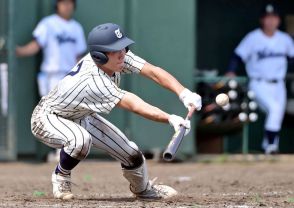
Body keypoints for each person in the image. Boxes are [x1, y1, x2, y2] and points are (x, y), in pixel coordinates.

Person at [30, 23, 202, 200]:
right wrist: (170, 118)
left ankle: (143, 190)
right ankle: (61, 175)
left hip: (81, 115)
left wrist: (184, 93)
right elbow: (134, 104)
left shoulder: (117, 58)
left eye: (124, 47)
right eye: (115, 49)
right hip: (48, 117)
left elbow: (152, 71)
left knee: (132, 154)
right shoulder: (94, 81)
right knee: (80, 140)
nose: (122, 53)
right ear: (99, 55)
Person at [16, 0, 87, 161]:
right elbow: (35, 46)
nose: (67, 6)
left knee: (69, 114)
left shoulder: (76, 28)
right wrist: (17, 51)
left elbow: (79, 56)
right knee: (52, 115)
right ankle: (59, 152)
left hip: (71, 76)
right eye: (63, 3)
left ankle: (66, 151)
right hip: (51, 75)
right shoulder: (48, 24)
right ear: (57, 5)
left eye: (69, 3)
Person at [227, 4, 294, 154]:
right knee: (275, 110)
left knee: (276, 113)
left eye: (274, 18)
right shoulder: (253, 38)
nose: (271, 21)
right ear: (262, 20)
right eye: (267, 18)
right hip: (259, 83)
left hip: (279, 84)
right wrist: (231, 71)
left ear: (278, 20)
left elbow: (291, 58)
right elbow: (237, 56)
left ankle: (268, 147)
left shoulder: (285, 39)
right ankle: (271, 145)